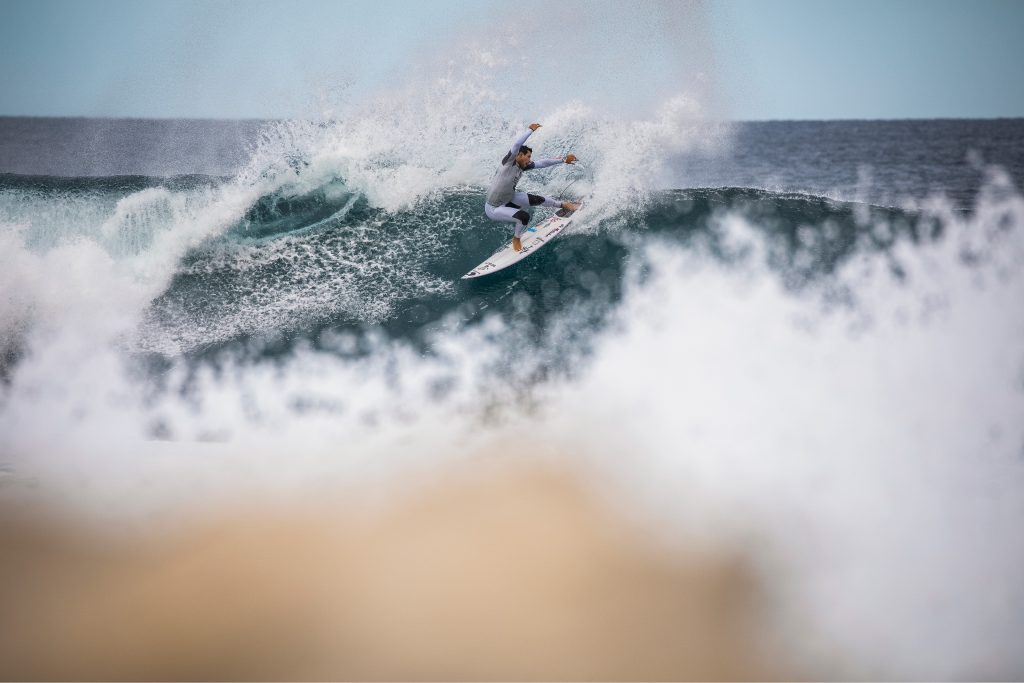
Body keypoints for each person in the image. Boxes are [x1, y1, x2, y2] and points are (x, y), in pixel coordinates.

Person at [485, 123, 579, 252]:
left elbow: (543, 162)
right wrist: (530, 130)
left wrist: (563, 160)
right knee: (524, 217)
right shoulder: (508, 163)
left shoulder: (523, 166)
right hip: (494, 208)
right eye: (528, 156)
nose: (530, 160)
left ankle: (564, 205)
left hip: (509, 198)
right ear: (519, 155)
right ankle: (516, 238)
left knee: (538, 199)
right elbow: (517, 144)